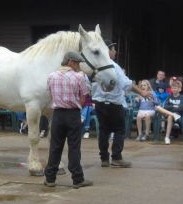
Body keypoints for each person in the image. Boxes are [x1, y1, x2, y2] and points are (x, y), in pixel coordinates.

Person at [92, 41, 152, 168]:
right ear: (107, 51)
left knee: (103, 130)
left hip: (99, 103)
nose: (115, 52)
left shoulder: (95, 66)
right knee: (119, 130)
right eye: (113, 49)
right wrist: (142, 91)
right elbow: (127, 84)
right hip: (114, 104)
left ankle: (104, 159)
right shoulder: (113, 66)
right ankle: (116, 158)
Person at [44, 51, 93, 189]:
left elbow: (50, 94)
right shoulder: (79, 78)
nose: (78, 66)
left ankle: (50, 178)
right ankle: (77, 179)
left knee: (55, 147)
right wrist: (74, 103)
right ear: (70, 61)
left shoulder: (51, 76)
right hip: (73, 115)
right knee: (74, 148)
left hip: (58, 114)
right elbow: (84, 99)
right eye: (77, 63)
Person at [163, 79, 183, 145]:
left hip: (179, 116)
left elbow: (181, 107)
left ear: (180, 89)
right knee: (170, 116)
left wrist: (171, 107)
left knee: (171, 116)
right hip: (171, 115)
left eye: (176, 88)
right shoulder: (169, 97)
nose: (174, 89)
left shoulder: (182, 97)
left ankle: (175, 125)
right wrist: (175, 107)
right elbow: (165, 107)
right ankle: (167, 137)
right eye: (173, 88)